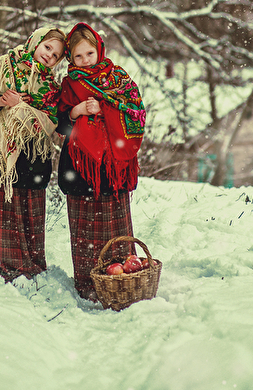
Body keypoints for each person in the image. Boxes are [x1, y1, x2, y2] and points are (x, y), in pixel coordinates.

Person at [0, 26, 66, 281]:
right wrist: (0, 101)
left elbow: (55, 121)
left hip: (32, 158)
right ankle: (4, 263)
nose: (49, 56)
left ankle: (29, 264)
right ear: (35, 42)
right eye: (47, 47)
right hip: (1, 156)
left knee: (29, 213)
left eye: (55, 55)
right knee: (4, 211)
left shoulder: (52, 89)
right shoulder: (4, 66)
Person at [57, 22, 146, 300]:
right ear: (70, 57)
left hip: (113, 166)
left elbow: (136, 112)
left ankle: (123, 280)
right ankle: (89, 284)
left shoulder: (118, 78)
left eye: (89, 54)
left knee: (115, 225)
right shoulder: (69, 84)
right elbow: (60, 124)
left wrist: (106, 108)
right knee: (85, 227)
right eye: (78, 56)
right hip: (81, 165)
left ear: (99, 50)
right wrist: (77, 111)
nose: (85, 60)